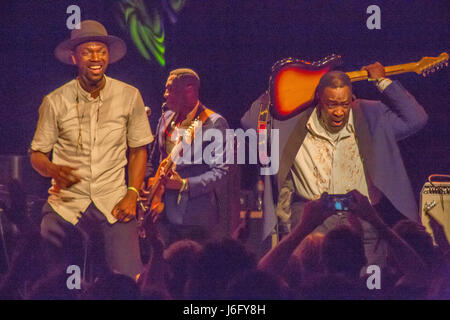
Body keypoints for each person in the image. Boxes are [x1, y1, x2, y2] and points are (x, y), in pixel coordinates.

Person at [241, 62, 428, 265]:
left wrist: (383, 82)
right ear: (318, 98)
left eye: (344, 104)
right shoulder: (293, 121)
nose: (339, 111)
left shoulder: (367, 116)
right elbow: (249, 123)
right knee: (310, 283)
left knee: (367, 283)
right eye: (332, 104)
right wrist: (279, 87)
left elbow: (416, 119)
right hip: (313, 219)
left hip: (362, 216)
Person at [30, 20, 153, 279]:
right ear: (74, 58)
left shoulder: (129, 96)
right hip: (67, 205)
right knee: (51, 280)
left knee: (129, 282)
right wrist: (53, 168)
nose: (96, 57)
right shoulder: (55, 101)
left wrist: (132, 193)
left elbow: (138, 150)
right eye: (88, 51)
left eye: (101, 51)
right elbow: (37, 154)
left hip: (114, 204)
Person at [145, 68, 229, 246]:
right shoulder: (165, 119)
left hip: (194, 218)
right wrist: (150, 189)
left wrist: (183, 185)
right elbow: (153, 161)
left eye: (171, 89)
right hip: (161, 216)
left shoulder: (214, 123)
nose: (165, 94)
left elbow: (220, 173)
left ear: (189, 90)